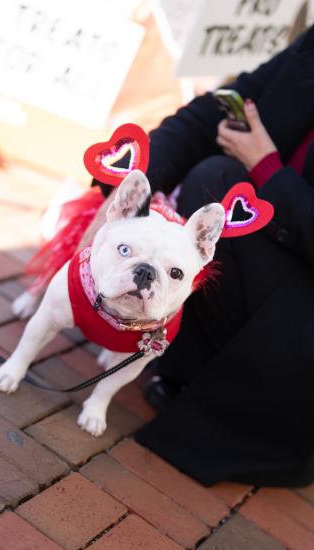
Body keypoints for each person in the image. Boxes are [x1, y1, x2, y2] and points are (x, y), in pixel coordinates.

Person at [125, 25, 314, 488]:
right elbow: (223, 104)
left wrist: (267, 166)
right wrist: (135, 174)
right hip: (282, 254)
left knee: (222, 184)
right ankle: (186, 365)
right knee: (218, 181)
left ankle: (227, 397)